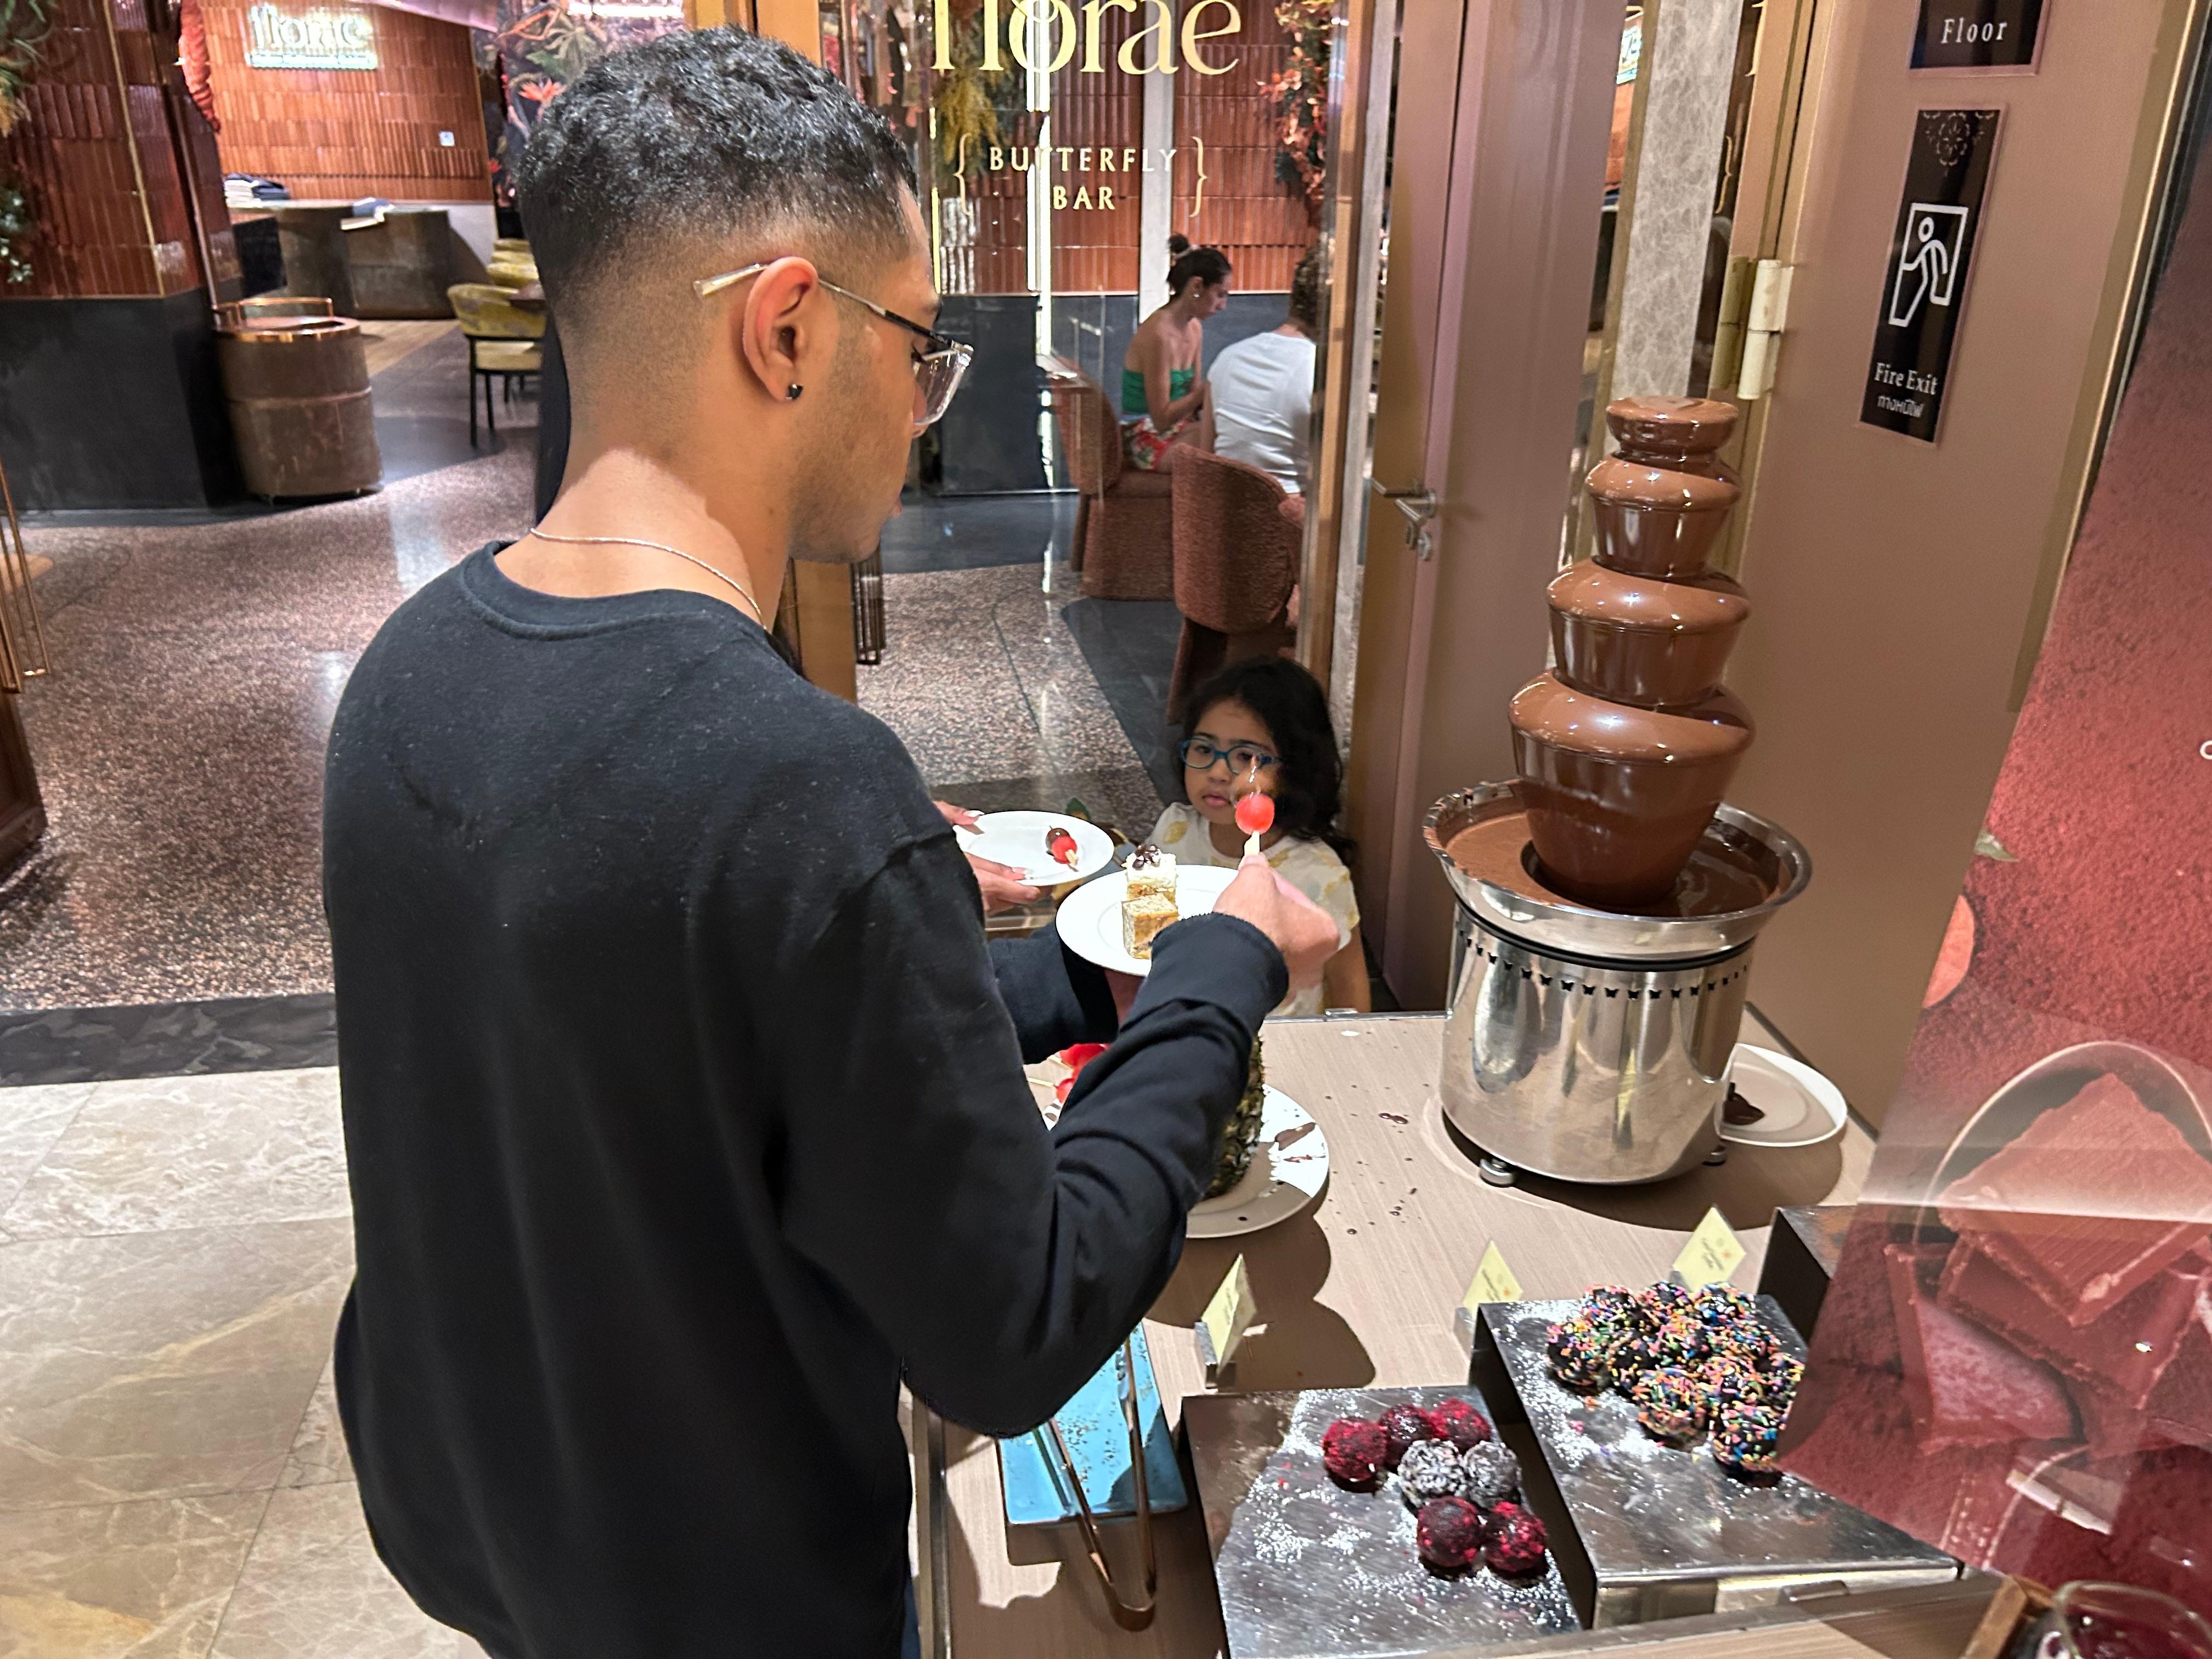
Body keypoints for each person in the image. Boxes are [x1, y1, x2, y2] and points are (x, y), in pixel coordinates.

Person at [320, 30, 1337, 1659]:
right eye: (918, 346)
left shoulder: (406, 672)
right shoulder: (798, 786)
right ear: (789, 327)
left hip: (483, 1522)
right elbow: (1011, 1330)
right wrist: (1219, 969)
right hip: (735, 1601)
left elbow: (688, 1052)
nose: (924, 401)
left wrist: (1069, 982)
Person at [1146, 657, 1369, 1017]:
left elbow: (1348, 983)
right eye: (1204, 749)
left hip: (1276, 1033)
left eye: (1246, 756)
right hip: (1183, 1014)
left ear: (1293, 769)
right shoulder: (1175, 830)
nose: (1218, 772)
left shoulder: (1317, 874)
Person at [1199, 247, 1318, 493]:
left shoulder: (1228, 357)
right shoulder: (1321, 371)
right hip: (1290, 511)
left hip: (1223, 507)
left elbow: (1205, 460)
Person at [1120, 234, 1230, 470]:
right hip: (1143, 432)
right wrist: (1207, 390)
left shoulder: (1195, 328)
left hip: (1177, 426)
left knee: (1233, 437)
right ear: (1197, 286)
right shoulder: (1158, 335)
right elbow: (1161, 418)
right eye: (1220, 295)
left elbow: (1193, 402)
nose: (1223, 306)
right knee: (1219, 449)